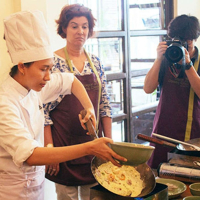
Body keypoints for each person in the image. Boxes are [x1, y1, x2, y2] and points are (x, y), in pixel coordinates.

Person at [0, 10, 126, 200]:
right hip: (11, 190)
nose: (49, 77)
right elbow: (30, 155)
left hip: (36, 183)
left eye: (50, 68)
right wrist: (89, 148)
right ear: (22, 66)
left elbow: (71, 81)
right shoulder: (5, 102)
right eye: (43, 69)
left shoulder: (33, 85)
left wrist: (89, 107)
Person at [43, 4, 112, 200]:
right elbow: (44, 111)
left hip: (94, 144)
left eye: (84, 26)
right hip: (63, 145)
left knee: (97, 195)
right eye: (74, 26)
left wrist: (109, 143)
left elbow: (104, 105)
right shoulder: (53, 62)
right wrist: (50, 150)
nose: (80, 31)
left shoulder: (96, 62)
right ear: (64, 29)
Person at [144, 14, 200, 169]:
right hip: (164, 128)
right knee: (160, 174)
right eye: (177, 38)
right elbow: (148, 88)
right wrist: (158, 59)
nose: (181, 43)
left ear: (194, 39)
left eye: (185, 40)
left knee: (188, 176)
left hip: (192, 131)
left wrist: (188, 65)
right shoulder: (167, 58)